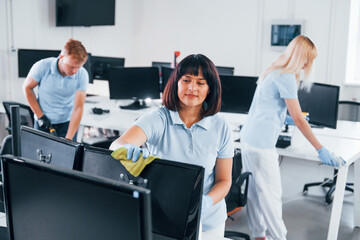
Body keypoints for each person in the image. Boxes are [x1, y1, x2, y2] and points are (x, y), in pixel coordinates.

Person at [109, 54, 234, 238]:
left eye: (200, 83)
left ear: (210, 89)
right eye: (186, 80)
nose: (192, 88)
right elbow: (116, 144)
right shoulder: (159, 118)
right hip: (163, 218)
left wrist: (205, 202)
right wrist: (126, 149)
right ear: (176, 83)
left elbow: (224, 181)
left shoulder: (220, 126)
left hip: (208, 221)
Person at [240, 35, 342, 240]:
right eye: (307, 58)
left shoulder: (273, 70)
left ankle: (259, 235)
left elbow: (267, 106)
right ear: (299, 56)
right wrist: (320, 148)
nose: (307, 64)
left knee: (255, 192)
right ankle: (279, 238)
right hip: (262, 145)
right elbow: (298, 117)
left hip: (249, 139)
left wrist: (283, 117)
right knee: (271, 196)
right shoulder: (287, 76)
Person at [23, 39, 88, 140]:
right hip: (43, 123)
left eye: (78, 67)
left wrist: (69, 138)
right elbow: (27, 87)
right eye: (71, 67)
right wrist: (40, 116)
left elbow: (78, 107)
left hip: (67, 124)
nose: (75, 71)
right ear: (61, 57)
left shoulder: (82, 74)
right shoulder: (42, 66)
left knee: (67, 155)